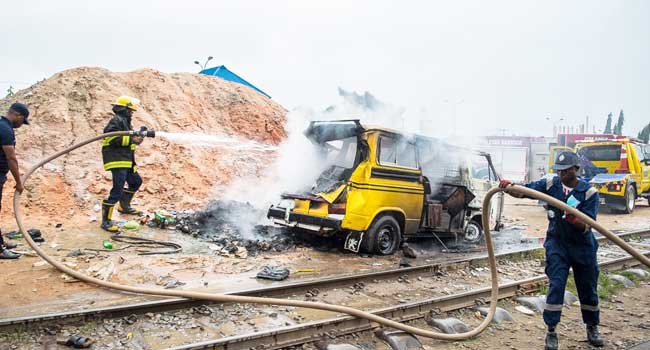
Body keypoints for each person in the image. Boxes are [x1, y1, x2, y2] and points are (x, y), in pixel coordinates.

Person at [499, 150, 604, 349]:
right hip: (558, 244)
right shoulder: (551, 185)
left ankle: (592, 327)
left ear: (575, 169)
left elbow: (589, 225)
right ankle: (551, 330)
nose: (561, 174)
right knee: (556, 285)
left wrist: (577, 221)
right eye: (559, 171)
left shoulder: (589, 192)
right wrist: (509, 187)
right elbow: (526, 191)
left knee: (587, 287)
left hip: (583, 247)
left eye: (565, 171)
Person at [100, 96, 145, 232]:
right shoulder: (115, 121)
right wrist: (132, 139)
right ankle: (106, 222)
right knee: (117, 190)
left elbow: (128, 139)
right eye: (130, 110)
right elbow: (111, 138)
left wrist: (136, 138)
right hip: (117, 160)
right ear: (124, 109)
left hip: (127, 160)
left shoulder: (125, 122)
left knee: (136, 182)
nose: (132, 113)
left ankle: (124, 207)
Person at [0, 103, 30, 259]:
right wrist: (19, 182)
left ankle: (0, 242)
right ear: (18, 115)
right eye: (22, 121)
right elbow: (11, 158)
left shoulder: (2, 126)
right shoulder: (5, 129)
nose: (21, 125)